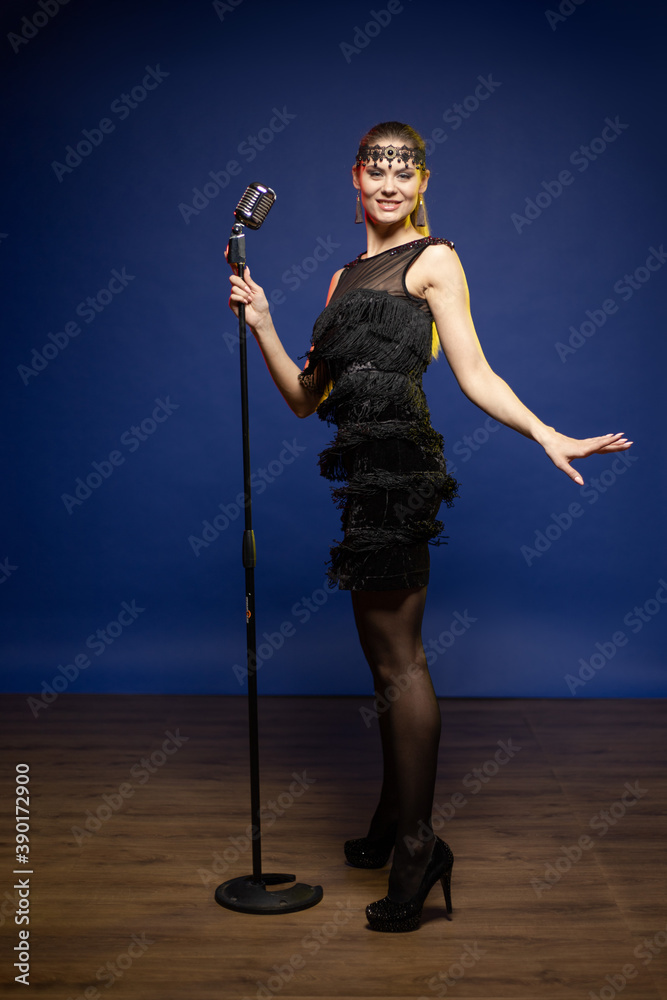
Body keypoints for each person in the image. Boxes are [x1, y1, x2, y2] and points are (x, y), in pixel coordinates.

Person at [228, 121, 633, 932]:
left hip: (400, 471)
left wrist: (545, 432)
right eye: (374, 169)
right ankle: (388, 822)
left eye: (402, 170)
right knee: (383, 664)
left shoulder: (434, 259)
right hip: (359, 473)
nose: (387, 182)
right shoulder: (341, 280)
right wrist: (265, 322)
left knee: (400, 663)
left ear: (420, 183)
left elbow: (474, 370)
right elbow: (309, 400)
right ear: (354, 178)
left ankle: (417, 846)